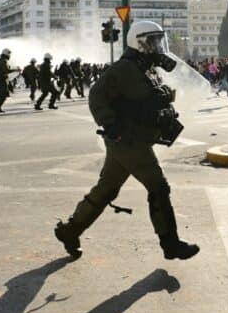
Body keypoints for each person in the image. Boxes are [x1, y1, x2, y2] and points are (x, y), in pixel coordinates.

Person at [54, 21, 199, 261]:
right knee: (159, 187)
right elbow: (96, 95)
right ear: (139, 42)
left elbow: (147, 99)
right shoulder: (123, 69)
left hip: (132, 140)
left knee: (106, 189)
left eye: (158, 40)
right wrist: (110, 124)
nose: (157, 45)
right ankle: (171, 244)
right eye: (153, 40)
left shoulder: (146, 68)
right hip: (129, 140)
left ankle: (69, 231)